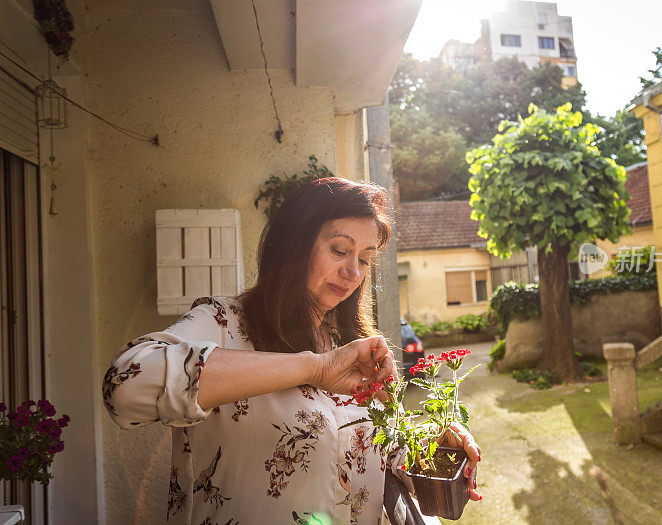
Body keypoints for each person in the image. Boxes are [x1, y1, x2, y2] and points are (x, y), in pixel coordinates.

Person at [102, 177, 481, 524]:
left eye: (364, 259)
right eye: (339, 250)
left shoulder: (351, 344)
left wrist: (433, 441)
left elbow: (378, 449)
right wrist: (311, 368)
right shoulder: (223, 323)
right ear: (294, 247)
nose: (353, 272)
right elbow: (124, 385)